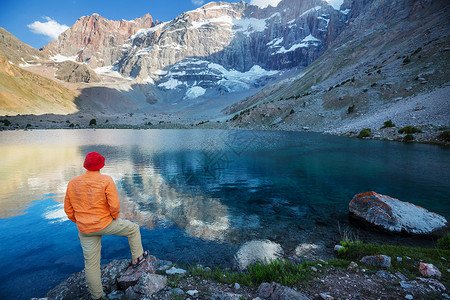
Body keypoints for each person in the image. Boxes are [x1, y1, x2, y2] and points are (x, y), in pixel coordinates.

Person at [64, 151, 148, 299]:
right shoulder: (106, 180)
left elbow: (68, 209)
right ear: (101, 165)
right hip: (105, 223)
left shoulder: (73, 182)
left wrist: (79, 221)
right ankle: (137, 259)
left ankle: (97, 296)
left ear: (86, 165)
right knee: (133, 229)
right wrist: (114, 218)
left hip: (84, 229)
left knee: (91, 265)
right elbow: (114, 205)